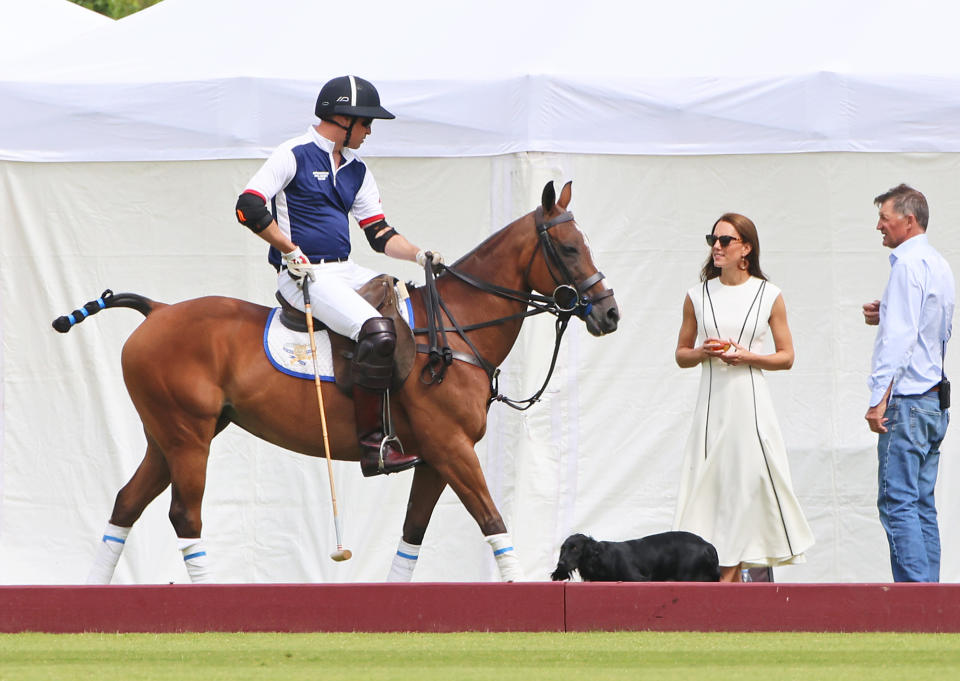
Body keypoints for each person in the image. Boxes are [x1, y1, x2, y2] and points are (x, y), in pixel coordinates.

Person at [234, 75, 443, 478]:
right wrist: (288, 249)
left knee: (410, 314)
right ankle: (373, 445)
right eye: (365, 123)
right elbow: (248, 206)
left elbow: (380, 233)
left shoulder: (357, 170)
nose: (368, 132)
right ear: (343, 119)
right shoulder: (292, 154)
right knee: (376, 330)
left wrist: (419, 254)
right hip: (302, 275)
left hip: (345, 269)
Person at [673, 213, 814, 582]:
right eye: (713, 240)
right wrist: (705, 351)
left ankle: (728, 580)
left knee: (746, 486)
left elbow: (786, 357)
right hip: (710, 407)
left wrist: (746, 356)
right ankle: (720, 579)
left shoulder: (769, 295)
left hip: (750, 406)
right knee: (711, 488)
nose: (716, 247)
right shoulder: (697, 295)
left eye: (725, 241)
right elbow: (681, 354)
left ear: (745, 248)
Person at [862, 184, 954, 582]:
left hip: (907, 399)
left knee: (897, 501)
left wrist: (877, 399)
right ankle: (931, 597)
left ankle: (914, 598)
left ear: (908, 220)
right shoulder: (938, 264)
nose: (879, 226)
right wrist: (889, 311)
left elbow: (899, 342)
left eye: (885, 218)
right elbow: (937, 328)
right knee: (920, 502)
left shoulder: (906, 266)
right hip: (934, 398)